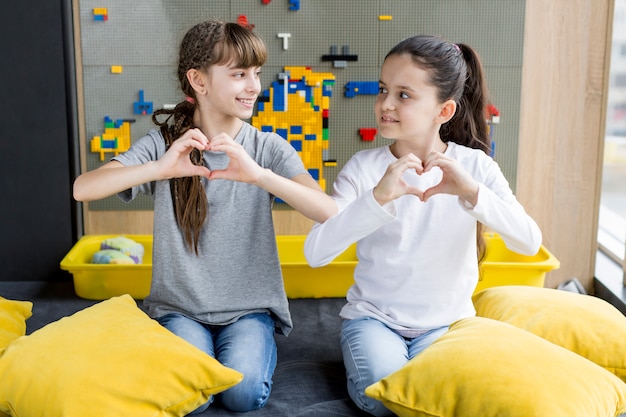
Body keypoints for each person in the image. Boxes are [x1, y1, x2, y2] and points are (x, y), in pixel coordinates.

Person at [73, 20, 336, 413]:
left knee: (242, 394)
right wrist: (160, 168)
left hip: (248, 309)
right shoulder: (165, 144)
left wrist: (259, 175)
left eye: (256, 74)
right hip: (180, 309)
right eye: (238, 74)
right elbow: (83, 188)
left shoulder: (266, 147)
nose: (253, 86)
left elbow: (328, 211)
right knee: (192, 398)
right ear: (199, 80)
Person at [304, 34, 542, 416]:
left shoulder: (476, 167)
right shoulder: (364, 168)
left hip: (446, 326)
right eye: (383, 90)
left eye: (404, 95)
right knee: (384, 401)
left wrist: (471, 192)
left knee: (436, 398)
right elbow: (315, 254)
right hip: (374, 321)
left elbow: (529, 243)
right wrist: (377, 198)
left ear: (443, 111)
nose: (384, 104)